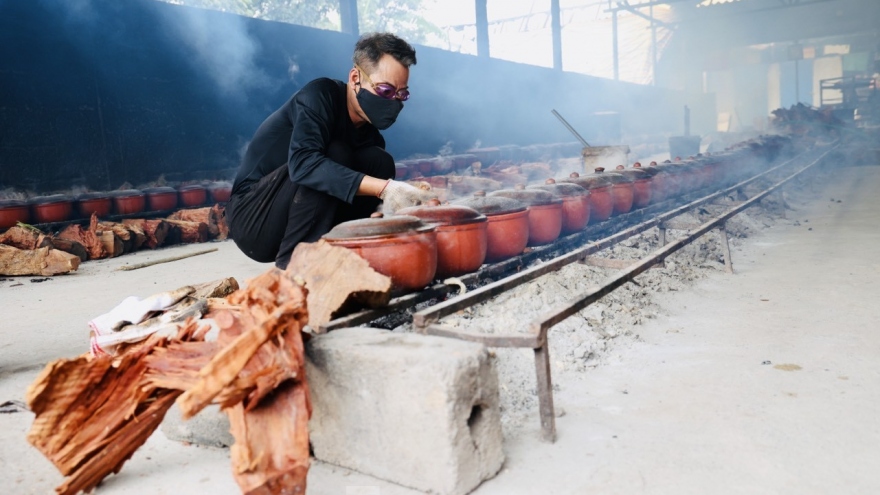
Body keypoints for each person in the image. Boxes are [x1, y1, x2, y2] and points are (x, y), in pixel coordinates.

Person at [226, 32, 436, 269]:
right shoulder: (319, 96)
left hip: (297, 215)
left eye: (401, 94)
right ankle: (295, 268)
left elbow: (358, 194)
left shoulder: (370, 135)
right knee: (334, 154)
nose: (394, 102)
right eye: (385, 91)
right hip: (253, 217)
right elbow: (304, 164)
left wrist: (387, 208)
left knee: (380, 163)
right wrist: (385, 188)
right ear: (355, 77)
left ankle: (341, 255)